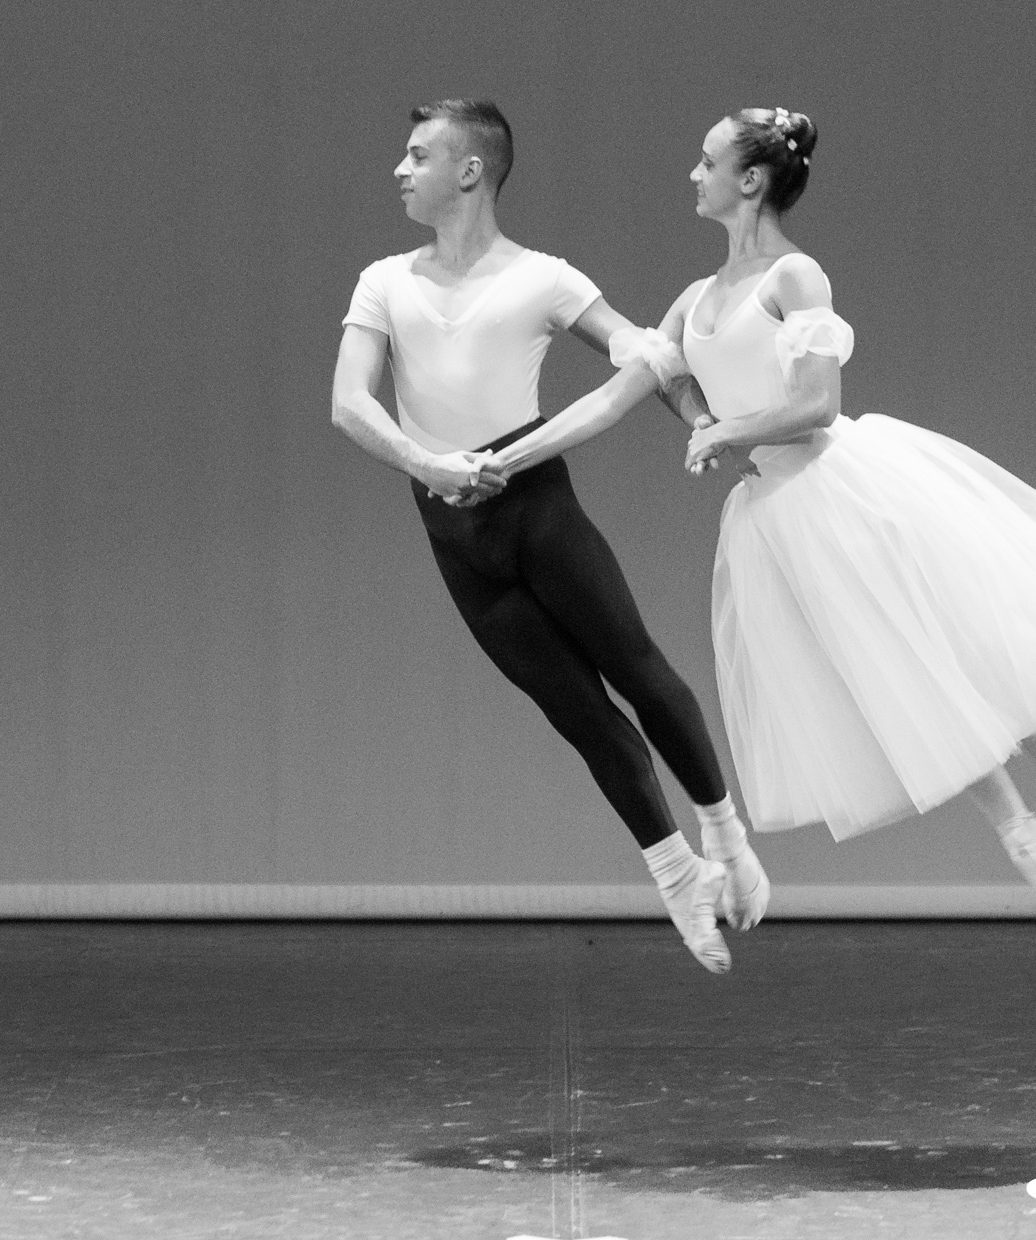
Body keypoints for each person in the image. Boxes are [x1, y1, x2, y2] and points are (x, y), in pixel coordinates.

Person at [485, 107, 1036, 937]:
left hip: (846, 491)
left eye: (706, 162)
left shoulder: (795, 278)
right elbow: (629, 389)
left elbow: (816, 403)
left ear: (749, 180)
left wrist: (726, 432)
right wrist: (508, 459)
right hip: (779, 523)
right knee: (904, 685)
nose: (693, 175)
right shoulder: (693, 301)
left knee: (961, 645)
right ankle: (1024, 835)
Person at [331, 99, 770, 972]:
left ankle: (724, 835)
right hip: (455, 528)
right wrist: (429, 463)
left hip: (536, 511)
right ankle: (677, 876)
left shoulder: (542, 278)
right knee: (578, 713)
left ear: (469, 171)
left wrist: (695, 411)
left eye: (417, 155)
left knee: (638, 671)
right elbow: (348, 403)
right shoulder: (383, 282)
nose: (400, 170)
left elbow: (637, 350)